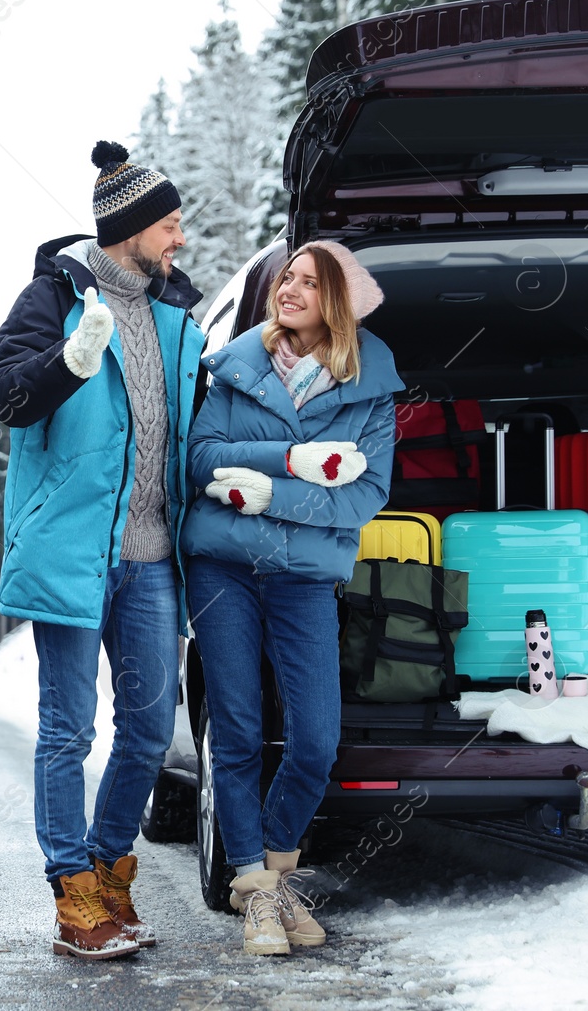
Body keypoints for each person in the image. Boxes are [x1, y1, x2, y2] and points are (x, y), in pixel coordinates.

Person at [0, 141, 206, 961]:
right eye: (172, 225)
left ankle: (112, 876)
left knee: (150, 728)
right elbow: (7, 395)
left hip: (153, 561)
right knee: (67, 729)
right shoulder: (52, 296)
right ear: (133, 227)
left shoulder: (180, 320)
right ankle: (72, 892)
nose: (179, 241)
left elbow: (196, 431)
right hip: (75, 551)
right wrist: (69, 362)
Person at [180, 240, 400, 956]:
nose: (290, 289)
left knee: (314, 740)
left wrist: (272, 494)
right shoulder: (239, 363)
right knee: (238, 731)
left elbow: (364, 495)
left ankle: (274, 872)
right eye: (287, 278)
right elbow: (202, 456)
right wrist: (296, 462)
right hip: (225, 568)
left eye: (308, 282)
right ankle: (255, 890)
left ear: (336, 301)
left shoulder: (369, 388)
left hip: (304, 574)